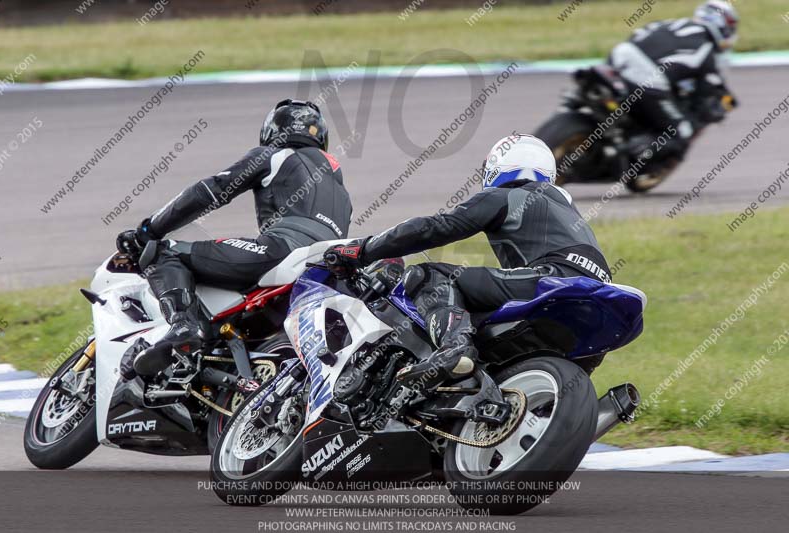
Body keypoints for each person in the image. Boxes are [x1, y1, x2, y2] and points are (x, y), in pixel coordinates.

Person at [325, 134, 611, 389]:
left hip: (553, 278)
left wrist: (364, 249)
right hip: (597, 300)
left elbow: (435, 227)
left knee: (430, 275)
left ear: (498, 168)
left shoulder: (507, 195)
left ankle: (454, 347)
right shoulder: (565, 207)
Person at [116, 99, 352, 376]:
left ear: (271, 132)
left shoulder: (276, 155)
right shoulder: (341, 191)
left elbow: (210, 191)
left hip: (279, 252)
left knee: (162, 251)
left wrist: (149, 231)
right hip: (322, 272)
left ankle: (184, 324)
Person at [609, 0, 739, 164]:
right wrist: (722, 105)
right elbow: (708, 90)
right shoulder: (706, 49)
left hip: (618, 56)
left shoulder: (672, 22)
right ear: (723, 25)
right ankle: (632, 150)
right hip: (646, 80)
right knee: (681, 132)